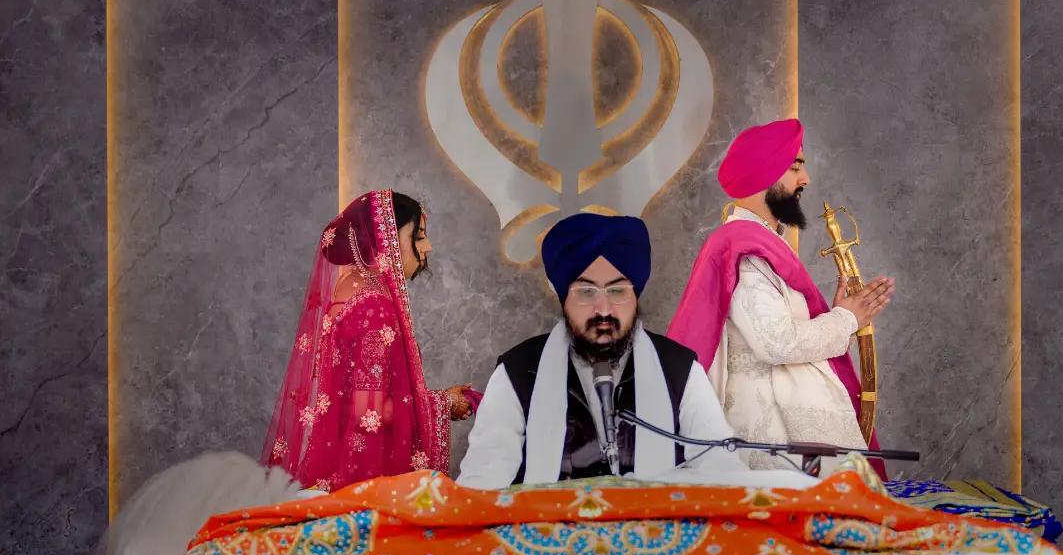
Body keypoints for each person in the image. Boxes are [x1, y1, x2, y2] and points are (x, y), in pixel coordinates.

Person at [667, 119, 895, 477]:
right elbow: (777, 343)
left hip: (786, 430)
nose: (805, 180)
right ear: (765, 174)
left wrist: (844, 316)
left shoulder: (757, 243)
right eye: (794, 168)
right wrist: (845, 318)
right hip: (773, 440)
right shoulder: (743, 249)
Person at [457, 213, 750, 489]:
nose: (603, 310)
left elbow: (721, 468)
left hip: (655, 538)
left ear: (635, 295)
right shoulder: (518, 371)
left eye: (617, 290)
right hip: (547, 538)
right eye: (586, 292)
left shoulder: (679, 370)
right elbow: (483, 477)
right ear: (563, 299)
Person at [260, 190, 478, 492]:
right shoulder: (373, 308)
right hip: (363, 480)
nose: (428, 246)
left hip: (337, 465)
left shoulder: (349, 289)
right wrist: (443, 404)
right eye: (418, 235)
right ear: (385, 238)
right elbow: (367, 412)